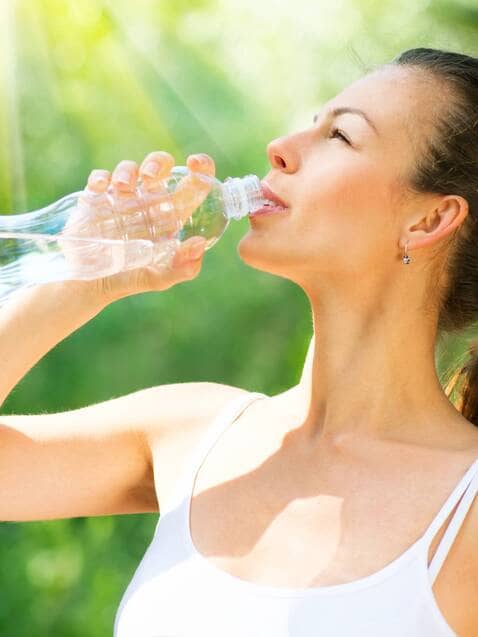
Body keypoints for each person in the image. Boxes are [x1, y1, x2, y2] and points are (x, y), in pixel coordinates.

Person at [1, 47, 477, 636]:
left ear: (429, 221)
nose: (281, 146)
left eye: (342, 136)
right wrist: (80, 282)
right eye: (311, 123)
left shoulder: (466, 508)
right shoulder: (192, 433)